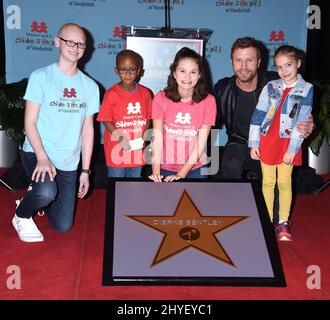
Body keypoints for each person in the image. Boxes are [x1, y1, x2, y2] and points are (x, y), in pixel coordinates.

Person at [12, 23, 100, 242]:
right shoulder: (41, 76)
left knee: (62, 225)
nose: (75, 47)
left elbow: (88, 130)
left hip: (68, 162)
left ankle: (33, 196)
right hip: (38, 153)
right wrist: (42, 158)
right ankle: (21, 214)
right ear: (57, 42)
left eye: (80, 43)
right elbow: (29, 122)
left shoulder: (90, 86)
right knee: (46, 192)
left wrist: (85, 171)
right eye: (69, 41)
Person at [213, 37, 314, 179]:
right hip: (238, 143)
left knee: (276, 191)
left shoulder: (275, 84)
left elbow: (301, 107)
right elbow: (209, 122)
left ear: (258, 62)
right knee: (230, 165)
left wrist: (309, 124)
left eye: (249, 60)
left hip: (270, 142)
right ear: (232, 62)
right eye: (238, 60)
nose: (243, 66)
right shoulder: (223, 89)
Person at [249, 45, 313, 241]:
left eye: (288, 65)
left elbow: (302, 122)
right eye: (279, 67)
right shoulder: (271, 86)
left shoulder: (307, 88)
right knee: (267, 182)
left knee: (284, 182)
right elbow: (258, 114)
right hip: (267, 141)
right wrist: (254, 143)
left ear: (298, 64)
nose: (284, 71)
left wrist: (293, 148)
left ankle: (283, 223)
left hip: (288, 143)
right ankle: (266, 222)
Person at [149, 47, 216, 182]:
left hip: (196, 167)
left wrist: (181, 174)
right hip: (165, 166)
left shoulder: (209, 101)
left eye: (193, 72)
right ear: (174, 73)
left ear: (199, 75)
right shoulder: (160, 98)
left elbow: (201, 143)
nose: (187, 77)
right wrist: (156, 174)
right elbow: (157, 138)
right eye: (182, 71)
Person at [97, 49, 152, 177]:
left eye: (132, 69)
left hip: (137, 149)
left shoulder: (145, 93)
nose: (128, 74)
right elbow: (106, 120)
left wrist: (144, 137)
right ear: (116, 70)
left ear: (139, 71)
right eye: (123, 69)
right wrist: (121, 138)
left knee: (134, 184)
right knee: (116, 184)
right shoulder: (111, 94)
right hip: (117, 148)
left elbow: (149, 117)